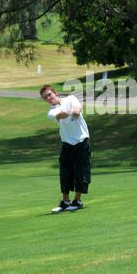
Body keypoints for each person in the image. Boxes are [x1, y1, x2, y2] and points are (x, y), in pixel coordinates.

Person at [40, 85, 91, 213]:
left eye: (49, 94)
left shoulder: (71, 98)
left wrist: (73, 110)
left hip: (82, 140)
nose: (49, 98)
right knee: (65, 173)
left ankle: (77, 201)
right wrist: (69, 111)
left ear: (55, 93)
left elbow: (77, 111)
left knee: (80, 171)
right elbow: (61, 115)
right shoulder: (51, 112)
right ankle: (65, 202)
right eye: (45, 97)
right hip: (67, 142)